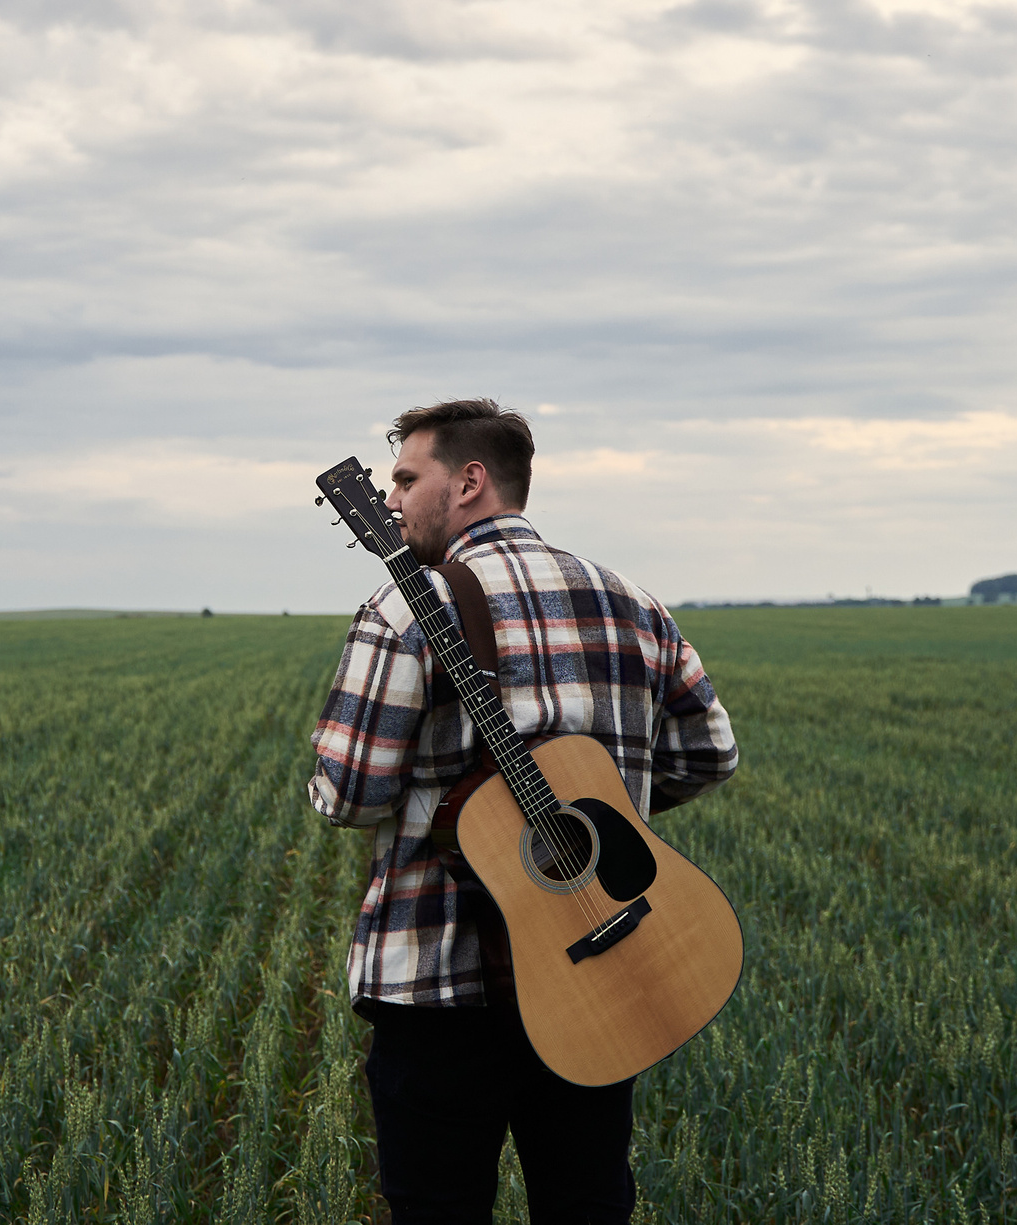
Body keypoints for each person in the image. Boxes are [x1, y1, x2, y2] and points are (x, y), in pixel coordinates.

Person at [305, 398, 739, 1224]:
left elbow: (348, 794)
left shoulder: (402, 609)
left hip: (435, 986)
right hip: (603, 975)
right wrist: (607, 816)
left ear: (469, 481)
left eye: (406, 478)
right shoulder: (631, 601)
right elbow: (710, 752)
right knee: (588, 1203)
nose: (391, 500)